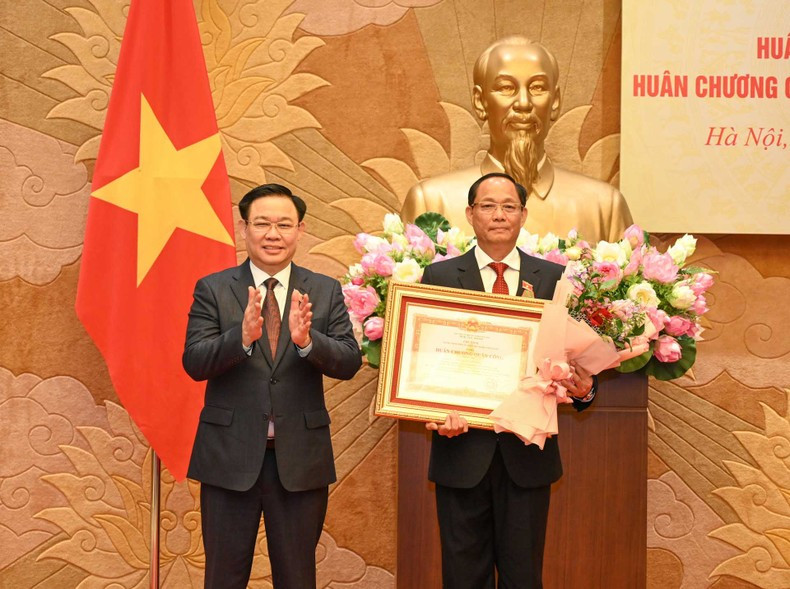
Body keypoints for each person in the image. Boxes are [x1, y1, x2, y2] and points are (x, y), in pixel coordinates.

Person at [421, 172, 596, 588]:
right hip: (461, 450)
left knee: (523, 578)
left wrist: (586, 390)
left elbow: (580, 364)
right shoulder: (440, 277)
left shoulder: (555, 280)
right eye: (487, 206)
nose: (498, 215)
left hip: (527, 455)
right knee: (463, 578)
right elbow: (426, 363)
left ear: (523, 214)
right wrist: (431, 410)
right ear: (470, 214)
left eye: (508, 206)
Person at [183, 183, 362, 589]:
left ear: (300, 230)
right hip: (230, 459)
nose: (273, 234)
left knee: (298, 578)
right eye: (262, 223)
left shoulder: (324, 289)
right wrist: (240, 339)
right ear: (243, 228)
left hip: (299, 459)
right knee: (224, 578)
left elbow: (350, 361)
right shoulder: (213, 288)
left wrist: (308, 343)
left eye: (284, 224)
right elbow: (194, 362)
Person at [402, 36, 633, 243]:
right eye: (506, 88)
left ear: (555, 102)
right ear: (480, 102)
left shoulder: (604, 208)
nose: (524, 103)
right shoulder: (431, 203)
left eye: (538, 87)